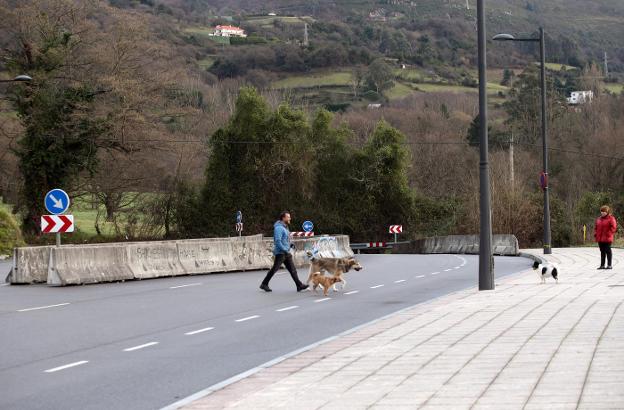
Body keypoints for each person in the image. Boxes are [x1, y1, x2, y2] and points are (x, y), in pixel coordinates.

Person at [260, 211, 309, 292]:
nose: (290, 218)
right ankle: (264, 284)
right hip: (281, 253)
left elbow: (284, 240)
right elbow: (278, 241)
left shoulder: (285, 227)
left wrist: (290, 245)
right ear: (283, 218)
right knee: (274, 269)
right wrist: (285, 250)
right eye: (288, 217)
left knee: (293, 270)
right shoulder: (279, 228)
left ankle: (299, 285)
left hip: (286, 252)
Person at [594, 205, 617, 270]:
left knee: (608, 251)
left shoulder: (611, 218)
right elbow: (596, 227)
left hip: (607, 238)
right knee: (602, 251)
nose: (602, 213)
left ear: (607, 212)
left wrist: (609, 233)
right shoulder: (598, 219)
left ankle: (609, 265)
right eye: (601, 211)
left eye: (604, 211)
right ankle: (602, 265)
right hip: (600, 238)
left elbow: (614, 227)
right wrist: (595, 234)